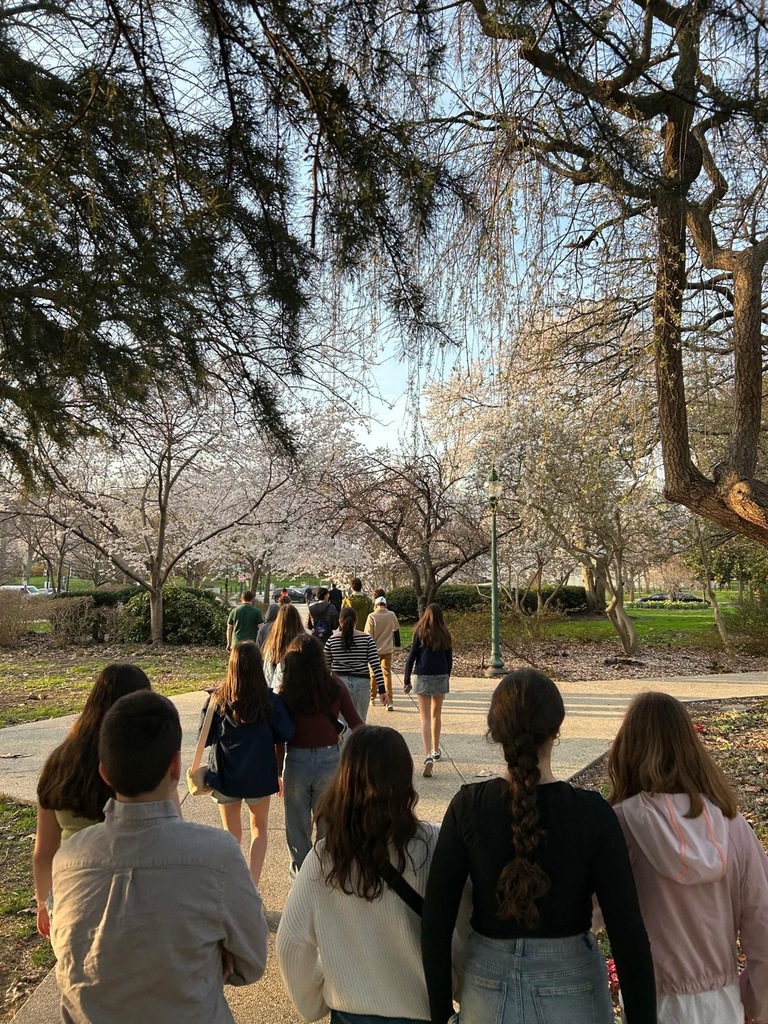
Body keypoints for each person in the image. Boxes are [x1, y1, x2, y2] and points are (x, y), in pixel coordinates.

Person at [421, 669, 656, 1024]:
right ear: (556, 729)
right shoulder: (592, 813)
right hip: (573, 985)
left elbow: (436, 922)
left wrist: (440, 1013)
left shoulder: (468, 806)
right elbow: (628, 933)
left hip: (488, 986)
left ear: (496, 731)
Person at [51, 690, 268, 1024]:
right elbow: (251, 963)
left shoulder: (67, 861)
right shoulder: (218, 856)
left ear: (104, 773)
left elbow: (71, 960)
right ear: (175, 766)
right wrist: (209, 961)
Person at [608, 690, 768, 1024]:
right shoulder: (732, 824)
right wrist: (757, 1002)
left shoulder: (621, 824)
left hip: (650, 1001)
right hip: (722, 1001)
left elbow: (586, 914)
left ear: (627, 749)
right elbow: (761, 921)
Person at [277, 725, 453, 1024]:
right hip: (424, 1009)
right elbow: (462, 926)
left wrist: (313, 1004)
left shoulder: (325, 857)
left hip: (351, 1010)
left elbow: (291, 941)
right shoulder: (435, 844)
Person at [33, 662, 151, 939]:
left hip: (73, 895)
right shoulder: (146, 764)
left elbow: (43, 852)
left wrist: (43, 903)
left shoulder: (60, 762)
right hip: (136, 897)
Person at [198, 641, 295, 886]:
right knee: (259, 828)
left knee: (231, 834)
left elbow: (205, 737)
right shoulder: (270, 702)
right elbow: (286, 732)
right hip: (260, 775)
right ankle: (252, 885)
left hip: (225, 776)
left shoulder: (216, 701)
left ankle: (232, 885)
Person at [278, 634, 363, 878]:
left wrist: (276, 770)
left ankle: (301, 876)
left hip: (295, 760)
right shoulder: (334, 686)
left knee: (296, 826)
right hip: (329, 760)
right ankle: (325, 872)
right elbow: (356, 722)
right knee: (327, 823)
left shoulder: (286, 692)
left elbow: (279, 737)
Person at [403, 603, 452, 777]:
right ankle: (436, 749)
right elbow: (449, 658)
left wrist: (407, 679)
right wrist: (447, 675)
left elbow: (411, 658)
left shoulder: (420, 632)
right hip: (440, 675)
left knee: (424, 717)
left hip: (422, 675)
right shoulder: (445, 634)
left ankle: (427, 755)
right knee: (436, 714)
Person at [324, 605, 386, 722]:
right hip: (361, 683)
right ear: (356, 621)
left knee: (341, 722)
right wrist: (382, 690)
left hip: (339, 683)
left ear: (340, 622)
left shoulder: (331, 640)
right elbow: (376, 666)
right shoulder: (367, 640)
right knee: (360, 721)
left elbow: (325, 668)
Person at [365, 595, 400, 711]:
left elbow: (368, 634)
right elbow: (395, 628)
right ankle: (389, 701)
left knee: (374, 673)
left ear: (375, 605)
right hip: (387, 649)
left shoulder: (372, 616)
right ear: (386, 605)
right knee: (387, 674)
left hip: (374, 650)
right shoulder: (392, 615)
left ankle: (372, 697)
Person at [261, 602, 306, 690]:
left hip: (277, 692)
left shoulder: (272, 644)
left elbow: (268, 674)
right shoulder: (304, 642)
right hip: (301, 691)